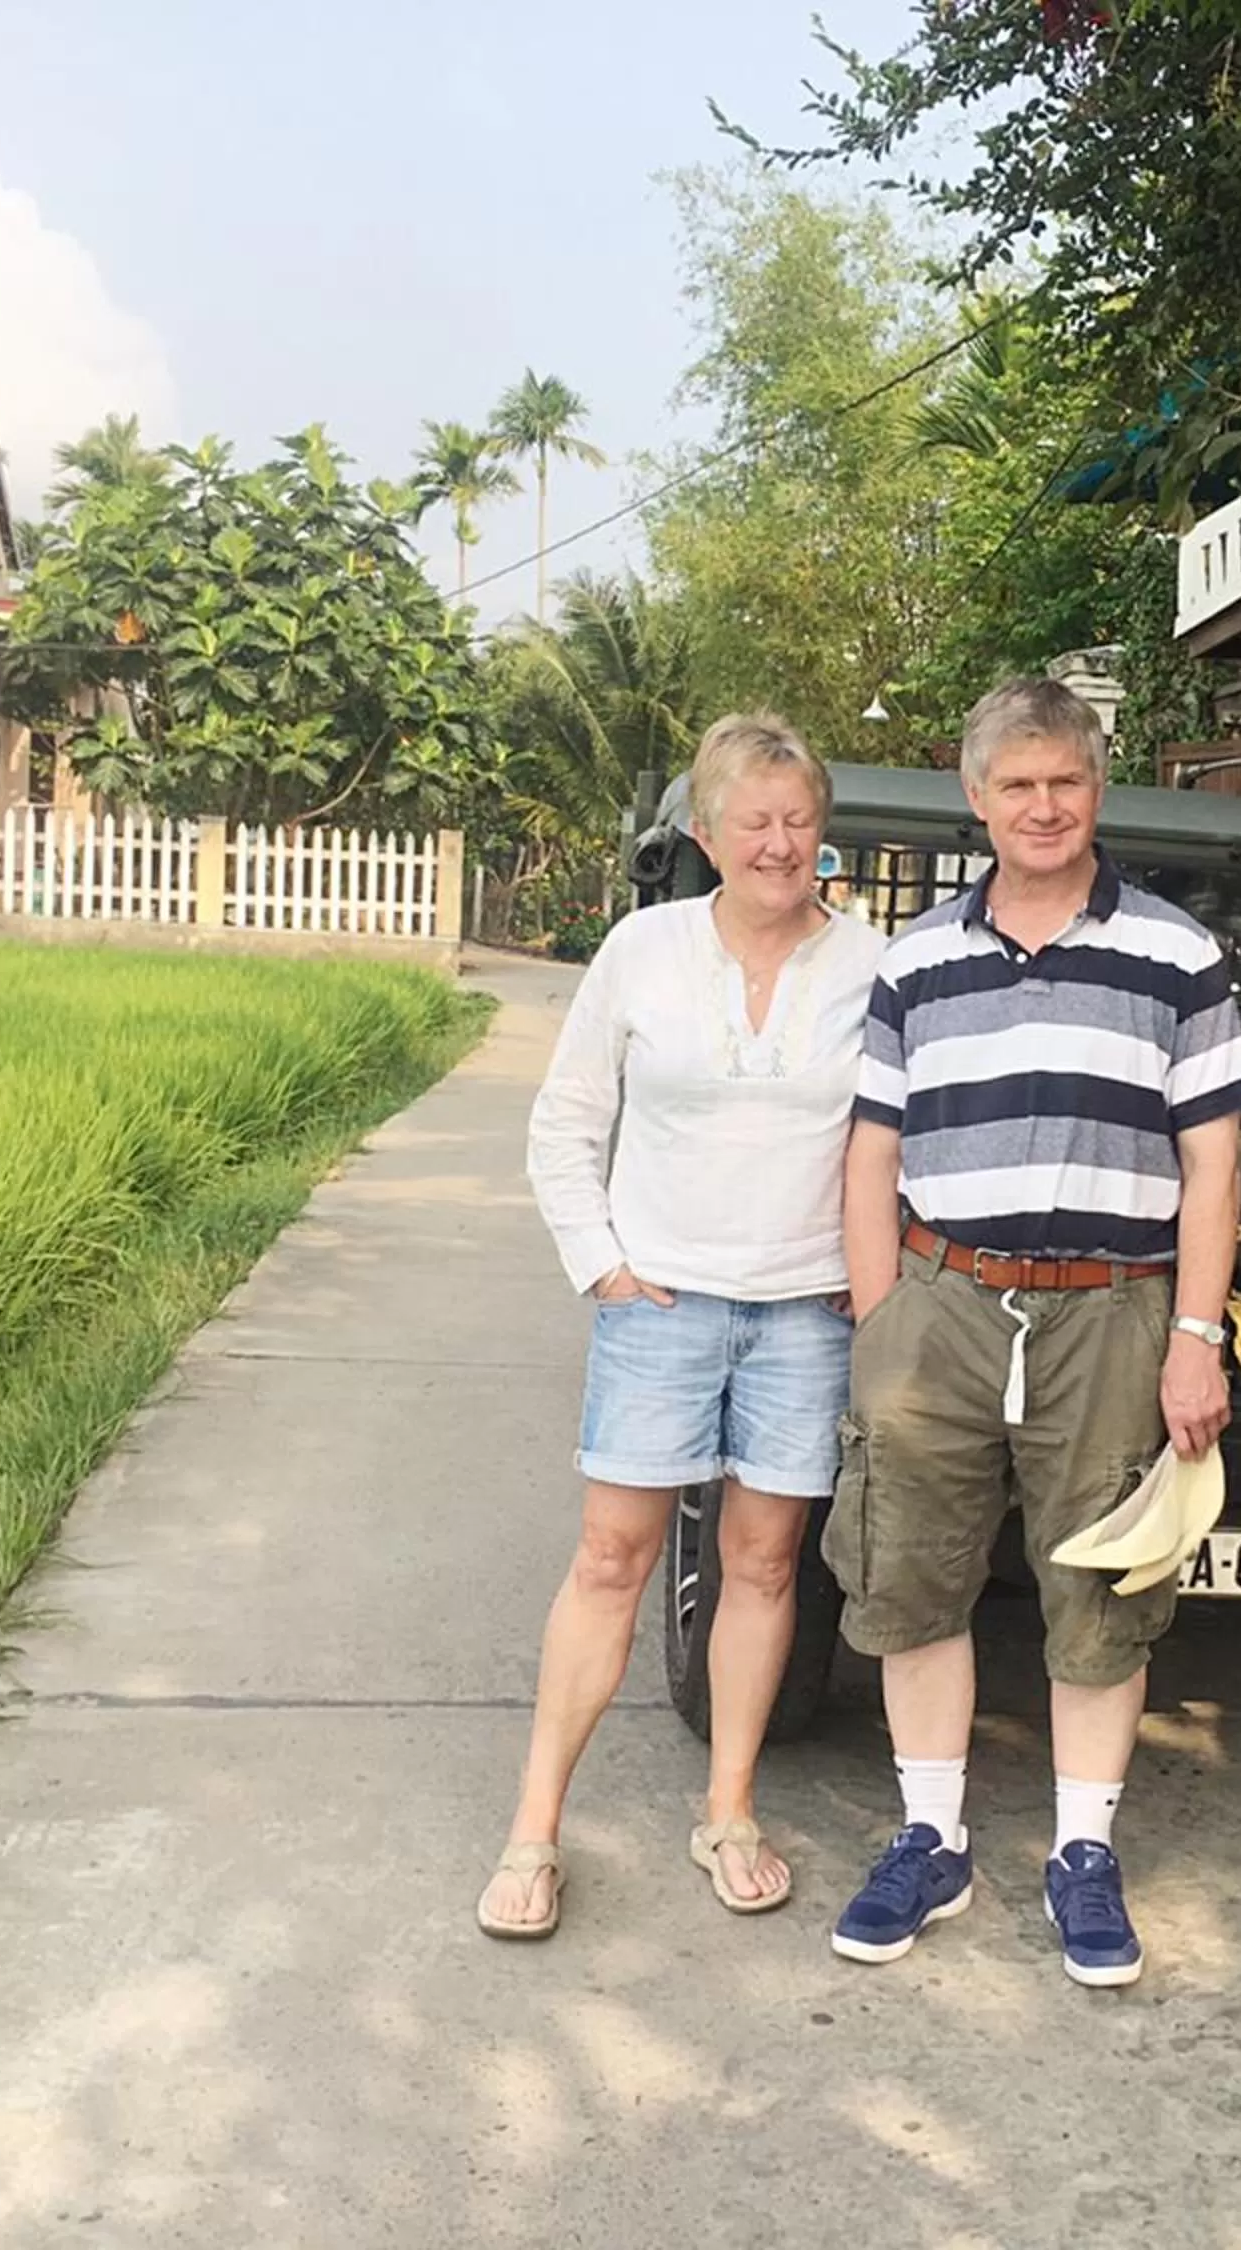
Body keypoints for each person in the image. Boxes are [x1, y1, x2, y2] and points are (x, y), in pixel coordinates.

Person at [827, 677, 1241, 1988]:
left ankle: (1083, 1850)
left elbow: (1215, 1170)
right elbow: (870, 1153)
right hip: (940, 1304)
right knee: (912, 1573)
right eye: (1015, 785)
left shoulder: (1178, 956)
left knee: (1102, 1585)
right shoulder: (916, 962)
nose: (1042, 806)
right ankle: (931, 1833)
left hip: (1111, 1312)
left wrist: (1196, 1333)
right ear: (977, 799)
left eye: (1063, 781)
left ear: (1097, 787)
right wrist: (880, 1317)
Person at [483, 713, 885, 1940]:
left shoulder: (870, 966)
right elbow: (566, 1123)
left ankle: (729, 1812)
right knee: (612, 1561)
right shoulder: (642, 952)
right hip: (659, 1306)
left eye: (798, 820)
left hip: (802, 1316)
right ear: (705, 834)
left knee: (765, 1567)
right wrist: (601, 1267)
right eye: (752, 821)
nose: (778, 843)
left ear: (824, 835)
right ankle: (533, 1836)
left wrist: (861, 1279)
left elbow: (899, 1139)